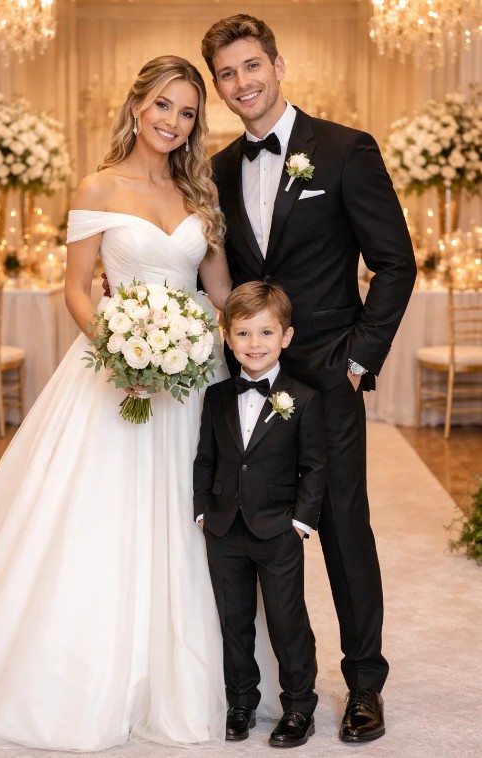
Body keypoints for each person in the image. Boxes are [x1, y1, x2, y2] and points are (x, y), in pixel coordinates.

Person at [0, 56, 233, 751]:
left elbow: (221, 293)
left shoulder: (199, 193)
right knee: (100, 511)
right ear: (136, 106)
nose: (172, 121)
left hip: (193, 372)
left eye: (187, 112)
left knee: (193, 509)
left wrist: (268, 333)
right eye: (162, 105)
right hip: (116, 367)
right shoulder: (97, 186)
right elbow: (77, 289)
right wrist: (122, 352)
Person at [201, 14, 417, 743]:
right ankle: (271, 683)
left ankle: (364, 685)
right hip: (250, 385)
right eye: (227, 73)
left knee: (343, 530)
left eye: (251, 65)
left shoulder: (345, 150)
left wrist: (357, 361)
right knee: (256, 532)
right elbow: (218, 275)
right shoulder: (219, 170)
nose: (242, 83)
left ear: (278, 64)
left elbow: (395, 262)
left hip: (327, 381)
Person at [194, 281, 327, 748]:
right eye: (243, 333)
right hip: (225, 527)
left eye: (266, 333)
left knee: (287, 620)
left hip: (278, 530)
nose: (255, 344)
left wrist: (300, 522)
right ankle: (241, 701)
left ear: (286, 337)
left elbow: (315, 466)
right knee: (233, 619)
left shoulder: (304, 398)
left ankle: (299, 706)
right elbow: (206, 458)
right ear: (227, 338)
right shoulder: (216, 397)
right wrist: (202, 512)